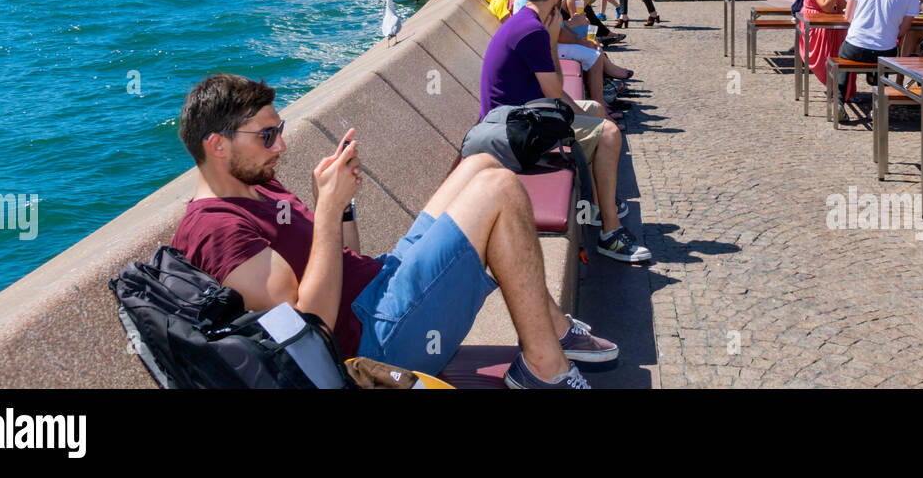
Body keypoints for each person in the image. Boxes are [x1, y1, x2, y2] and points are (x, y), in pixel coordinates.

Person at [171, 74, 616, 390]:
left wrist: (341, 207)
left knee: (482, 164)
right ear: (217, 144)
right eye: (267, 136)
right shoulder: (216, 230)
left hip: (379, 287)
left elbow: (344, 258)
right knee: (500, 189)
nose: (281, 146)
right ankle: (544, 368)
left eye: (280, 130)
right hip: (374, 341)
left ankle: (554, 328)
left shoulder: (258, 185)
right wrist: (326, 210)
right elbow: (310, 333)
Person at [479, 0, 650, 264]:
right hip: (515, 132)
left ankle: (597, 204)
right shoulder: (534, 31)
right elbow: (555, 89)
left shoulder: (525, 20)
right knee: (609, 133)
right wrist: (552, 38)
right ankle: (610, 234)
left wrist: (582, 112)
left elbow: (551, 94)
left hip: (517, 117)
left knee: (596, 109)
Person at [802, 0, 856, 99]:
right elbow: (826, 7)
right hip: (814, 22)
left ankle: (843, 89)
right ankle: (835, 85)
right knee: (831, 39)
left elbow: (841, 6)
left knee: (848, 43)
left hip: (832, 20)